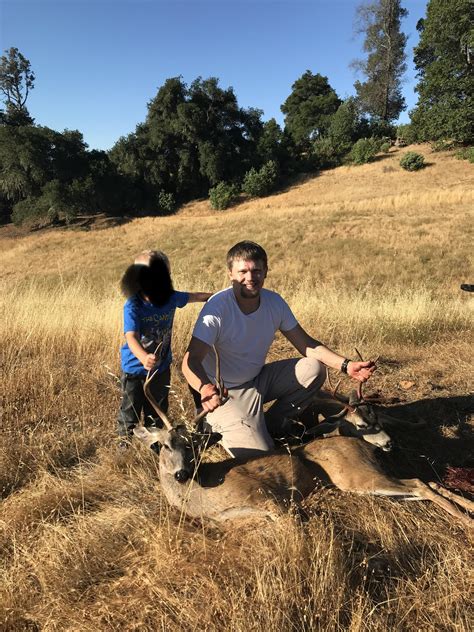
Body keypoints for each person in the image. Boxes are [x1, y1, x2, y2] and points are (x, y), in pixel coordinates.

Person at [182, 241, 376, 459]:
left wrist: (346, 365)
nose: (250, 277)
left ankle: (273, 422)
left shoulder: (274, 302)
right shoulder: (217, 308)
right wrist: (205, 389)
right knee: (262, 456)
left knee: (313, 369)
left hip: (258, 380)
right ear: (230, 274)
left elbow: (307, 345)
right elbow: (190, 361)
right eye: (243, 271)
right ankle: (213, 421)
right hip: (223, 393)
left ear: (265, 271)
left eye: (256, 270)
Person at [117, 250, 211, 447]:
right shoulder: (133, 305)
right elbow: (131, 337)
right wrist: (143, 357)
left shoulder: (171, 298)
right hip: (134, 368)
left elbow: (194, 296)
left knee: (158, 410)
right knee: (130, 409)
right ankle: (123, 445)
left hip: (161, 368)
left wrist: (217, 297)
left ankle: (156, 447)